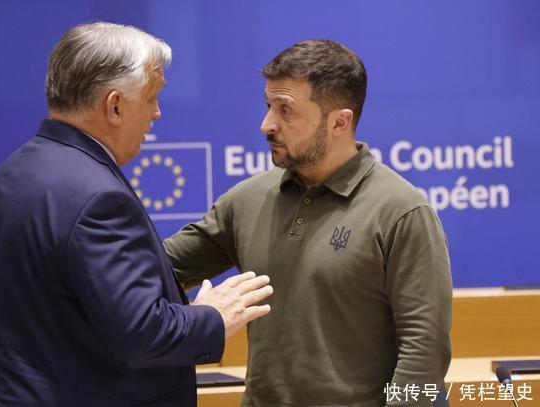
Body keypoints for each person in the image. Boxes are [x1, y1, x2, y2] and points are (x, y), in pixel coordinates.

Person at [0, 22, 272, 407]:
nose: (157, 113)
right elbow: (142, 335)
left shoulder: (8, 176)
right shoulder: (99, 197)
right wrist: (212, 317)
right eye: (151, 98)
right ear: (114, 106)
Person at [165, 39, 452, 406]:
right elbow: (155, 269)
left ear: (339, 122)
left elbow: (424, 351)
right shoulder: (246, 200)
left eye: (285, 111)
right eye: (269, 106)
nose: (266, 124)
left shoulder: (402, 211)